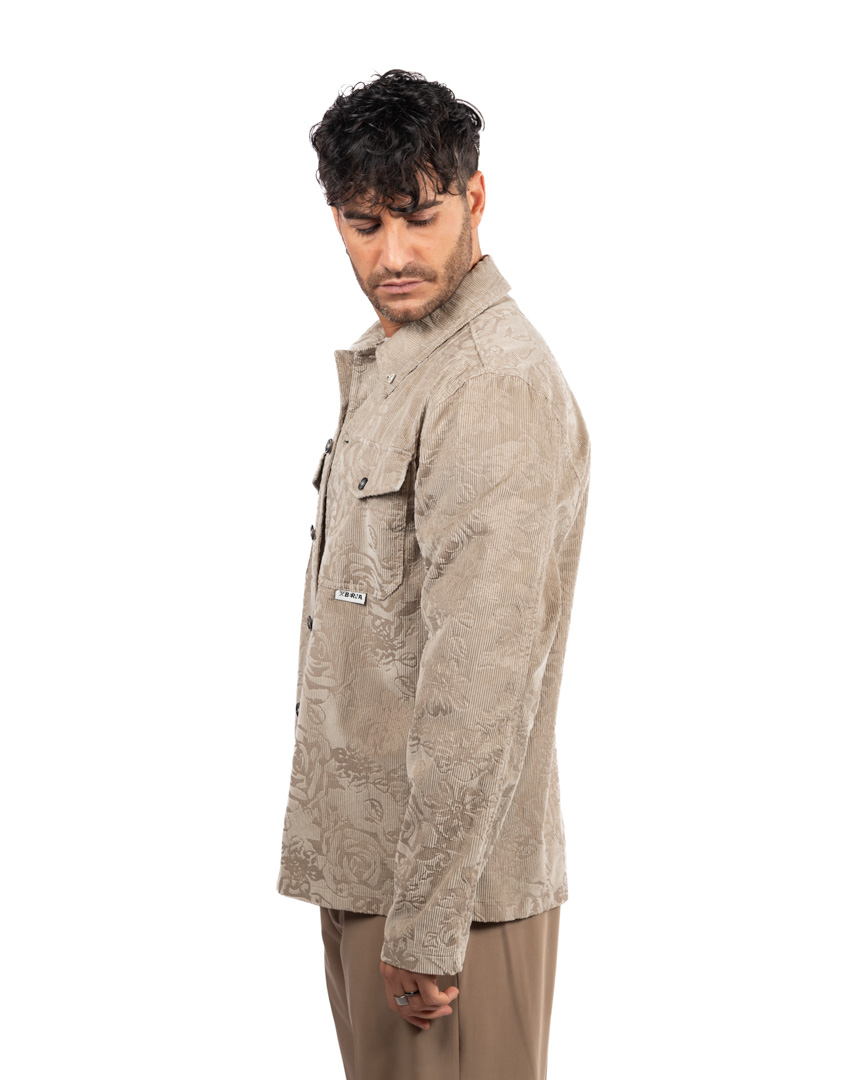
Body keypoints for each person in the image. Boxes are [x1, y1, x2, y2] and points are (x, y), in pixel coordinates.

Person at [277, 69, 591, 1080]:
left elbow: (481, 682)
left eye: (420, 216)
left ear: (476, 198)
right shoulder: (405, 362)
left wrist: (424, 922)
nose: (394, 255)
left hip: (448, 911)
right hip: (375, 878)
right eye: (365, 224)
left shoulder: (490, 384)